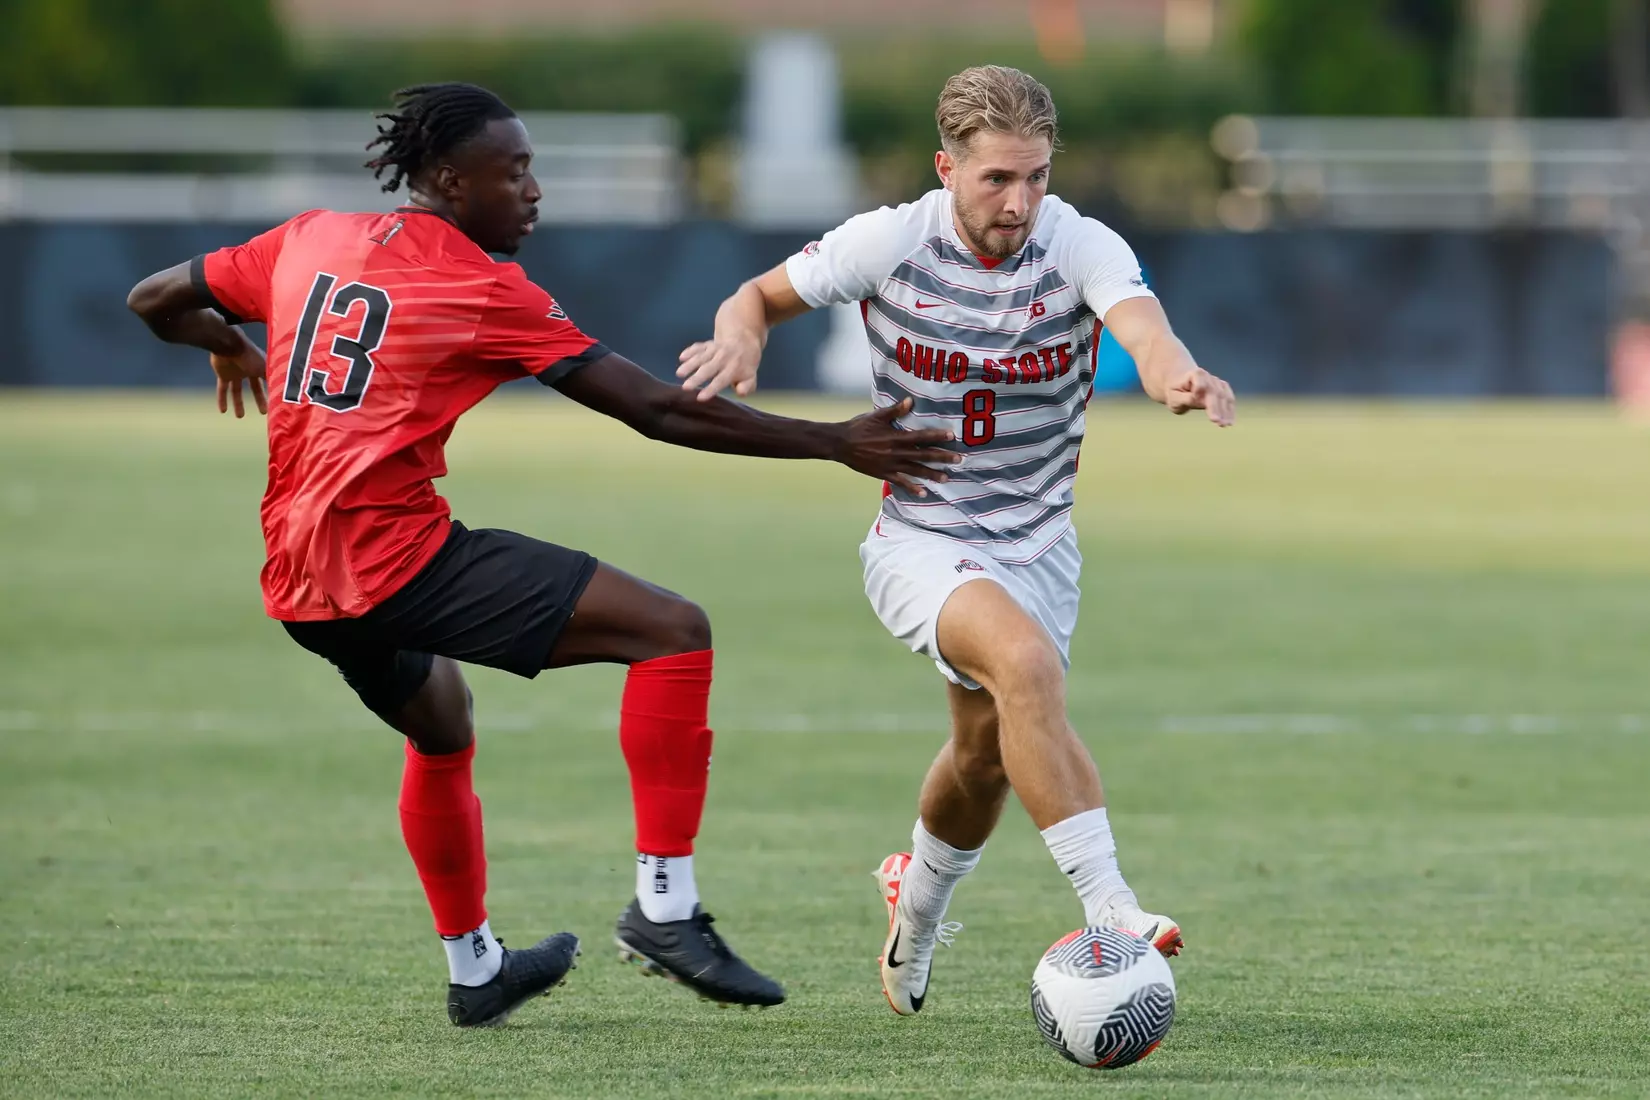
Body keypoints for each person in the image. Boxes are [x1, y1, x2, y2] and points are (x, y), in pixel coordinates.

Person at [125, 82, 957, 1028]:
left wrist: (229, 341)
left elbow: (153, 298)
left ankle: (475, 969)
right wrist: (834, 442)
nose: (533, 191)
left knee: (442, 726)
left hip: (300, 579)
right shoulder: (480, 285)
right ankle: (666, 908)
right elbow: (657, 409)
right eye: (513, 171)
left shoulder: (310, 235)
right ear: (448, 180)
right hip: (393, 560)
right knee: (674, 633)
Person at [678, 65, 1236, 1016]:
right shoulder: (890, 240)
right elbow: (756, 296)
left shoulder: (1079, 243)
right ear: (948, 168)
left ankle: (919, 904)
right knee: (1025, 667)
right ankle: (1112, 911)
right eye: (997, 180)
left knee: (983, 759)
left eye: (1037, 177)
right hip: (921, 538)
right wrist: (742, 336)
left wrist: (1174, 372)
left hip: (1039, 542)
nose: (1020, 202)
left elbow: (1143, 329)